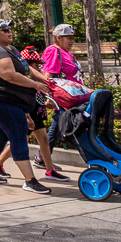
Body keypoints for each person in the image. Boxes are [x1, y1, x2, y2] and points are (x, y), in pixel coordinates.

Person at [0, 18, 53, 195]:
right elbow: (9, 75)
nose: (9, 31)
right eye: (4, 30)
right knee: (19, 135)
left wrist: (43, 79)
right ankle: (30, 181)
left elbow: (25, 68)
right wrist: (35, 85)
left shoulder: (9, 48)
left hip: (8, 100)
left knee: (0, 134)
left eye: (10, 28)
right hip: (0, 100)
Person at [0, 47, 69, 183]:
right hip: (29, 113)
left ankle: (50, 170)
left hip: (37, 111)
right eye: (35, 64)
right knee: (22, 139)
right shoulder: (22, 79)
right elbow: (21, 99)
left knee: (44, 140)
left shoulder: (35, 77)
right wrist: (27, 116)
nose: (38, 67)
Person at [40, 23, 81, 151]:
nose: (72, 41)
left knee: (57, 127)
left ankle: (42, 158)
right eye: (69, 38)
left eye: (72, 38)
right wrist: (49, 97)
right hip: (64, 98)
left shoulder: (66, 53)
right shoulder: (53, 51)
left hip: (73, 97)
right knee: (68, 127)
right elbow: (48, 75)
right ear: (59, 38)